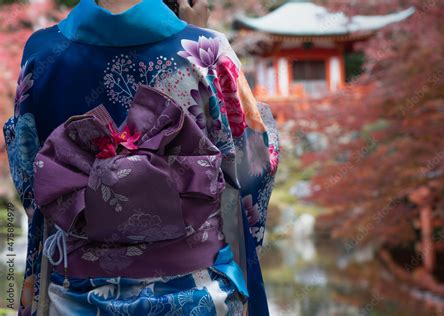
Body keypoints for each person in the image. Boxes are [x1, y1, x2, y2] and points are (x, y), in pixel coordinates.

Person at [2, 0, 280, 315]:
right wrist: (197, 32)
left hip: (76, 299)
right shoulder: (208, 51)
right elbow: (253, 174)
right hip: (196, 296)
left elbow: (32, 183)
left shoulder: (41, 51)